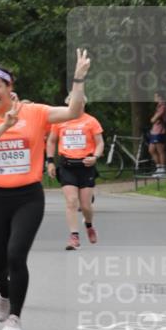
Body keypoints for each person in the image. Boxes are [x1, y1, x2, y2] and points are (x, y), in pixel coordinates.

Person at [0, 51, 91, 330]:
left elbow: (73, 111)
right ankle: (4, 292)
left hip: (27, 197)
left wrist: (78, 79)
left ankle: (14, 317)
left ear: (9, 87)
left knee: (15, 255)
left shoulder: (34, 112)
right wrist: (5, 125)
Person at [46, 97, 103, 250]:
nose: (77, 106)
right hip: (67, 166)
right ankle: (74, 236)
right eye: (74, 103)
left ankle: (89, 225)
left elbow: (100, 143)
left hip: (85, 166)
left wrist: (95, 157)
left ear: (84, 104)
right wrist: (50, 161)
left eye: (80, 103)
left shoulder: (91, 121)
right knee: (71, 202)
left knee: (85, 206)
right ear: (69, 104)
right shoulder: (59, 121)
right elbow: (51, 141)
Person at [149, 92, 166, 177]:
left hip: (160, 130)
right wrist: (153, 119)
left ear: (160, 97)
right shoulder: (158, 106)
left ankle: (163, 170)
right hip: (154, 131)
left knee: (160, 150)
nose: (154, 98)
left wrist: (154, 119)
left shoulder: (163, 106)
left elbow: (154, 119)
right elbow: (153, 119)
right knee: (151, 150)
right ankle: (158, 168)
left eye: (155, 96)